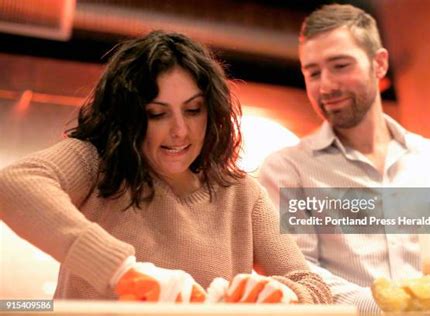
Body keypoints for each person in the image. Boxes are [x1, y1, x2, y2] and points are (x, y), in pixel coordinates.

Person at [0, 30, 332, 304]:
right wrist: (123, 273)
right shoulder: (97, 164)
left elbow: (312, 285)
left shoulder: (242, 195)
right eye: (157, 113)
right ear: (129, 117)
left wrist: (287, 293)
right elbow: (14, 184)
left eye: (193, 110)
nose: (179, 131)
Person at [259, 3, 430, 313]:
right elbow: (300, 273)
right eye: (313, 72)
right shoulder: (286, 169)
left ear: (379, 64)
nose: (327, 85)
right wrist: (393, 305)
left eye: (340, 65)